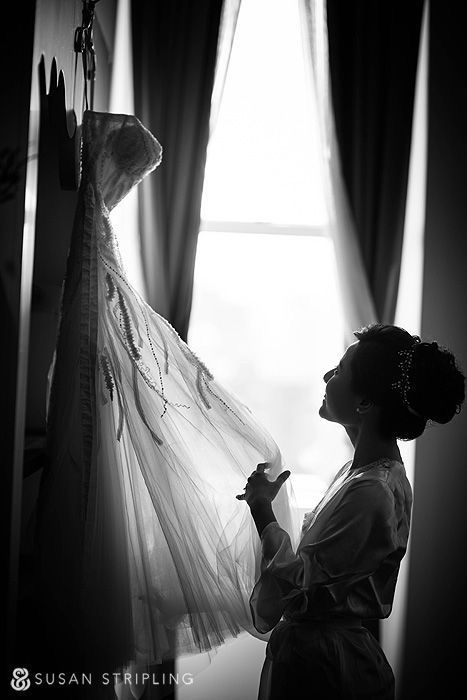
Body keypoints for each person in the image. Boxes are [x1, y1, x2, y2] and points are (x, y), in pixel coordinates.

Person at [237, 323, 465, 700]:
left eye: (340, 370)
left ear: (364, 403)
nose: (327, 375)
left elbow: (297, 585)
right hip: (314, 657)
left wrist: (262, 508)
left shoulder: (372, 491)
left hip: (328, 671)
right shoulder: (357, 473)